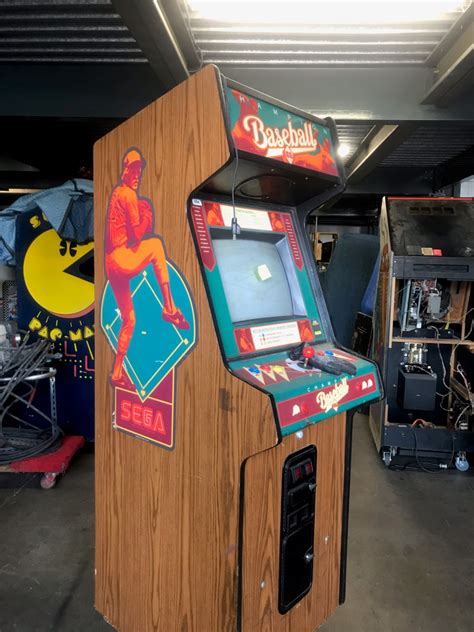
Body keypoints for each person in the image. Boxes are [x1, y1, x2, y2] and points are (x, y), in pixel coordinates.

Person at [105, 148, 189, 387]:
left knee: (129, 319)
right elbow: (138, 235)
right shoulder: (128, 194)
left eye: (139, 170)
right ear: (125, 170)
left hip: (111, 264)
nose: (137, 175)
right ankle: (169, 308)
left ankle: (116, 373)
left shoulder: (116, 193)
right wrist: (146, 217)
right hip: (122, 258)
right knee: (156, 246)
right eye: (133, 170)